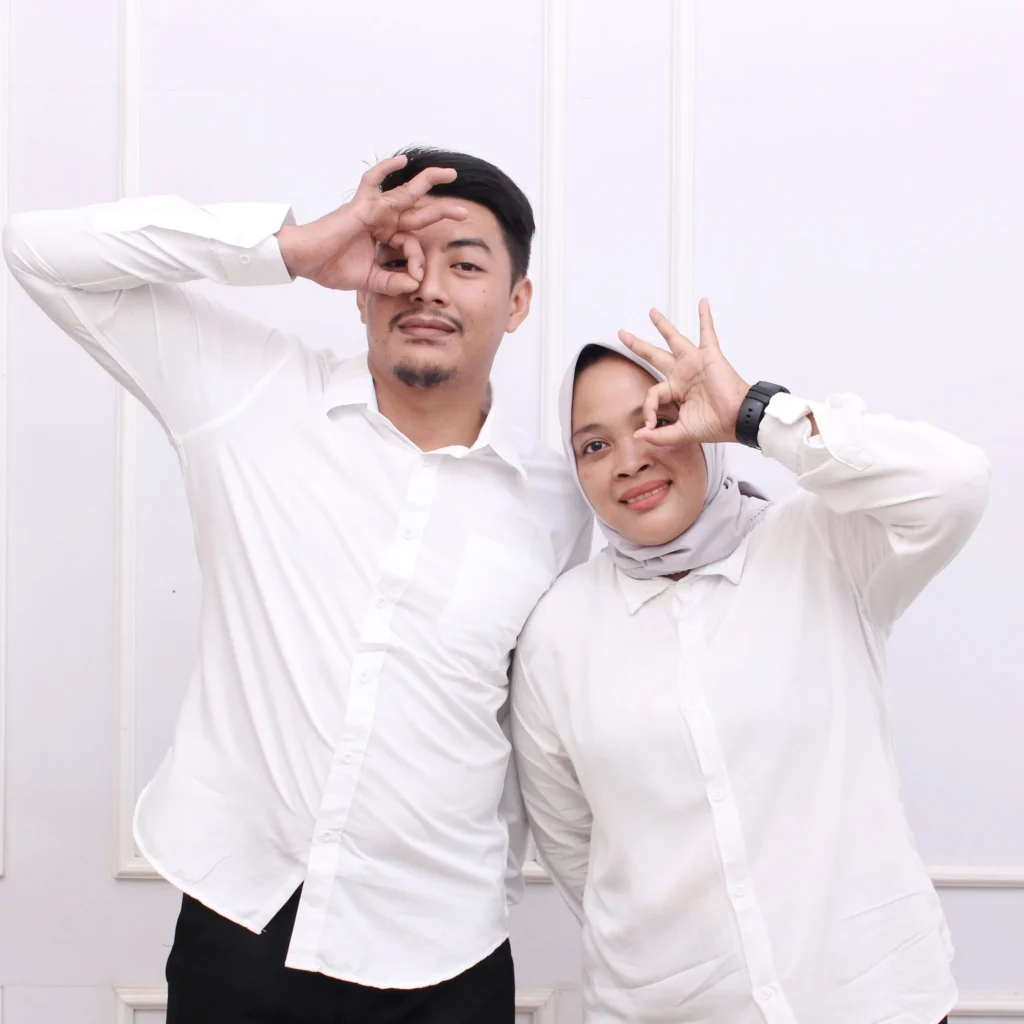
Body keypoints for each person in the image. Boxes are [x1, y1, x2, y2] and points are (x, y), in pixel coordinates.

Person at [3, 148, 591, 1024]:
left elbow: (539, 723)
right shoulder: (252, 393)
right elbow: (37, 248)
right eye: (399, 256)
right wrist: (291, 247)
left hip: (449, 952)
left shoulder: (559, 501)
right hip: (243, 924)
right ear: (362, 284)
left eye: (465, 265)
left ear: (517, 303)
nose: (425, 287)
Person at [511, 299, 989, 1024]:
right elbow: (573, 845)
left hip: (872, 999)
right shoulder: (558, 630)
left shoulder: (823, 545)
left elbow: (956, 483)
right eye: (595, 445)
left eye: (656, 419)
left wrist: (755, 415)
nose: (631, 459)